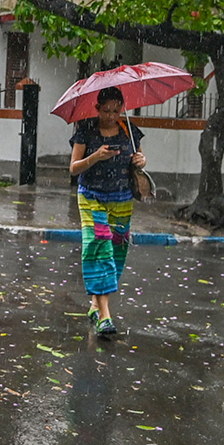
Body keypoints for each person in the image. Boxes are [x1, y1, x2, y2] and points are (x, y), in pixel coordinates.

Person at [68, 86, 146, 337]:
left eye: (116, 110)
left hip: (122, 199)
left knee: (116, 252)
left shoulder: (130, 132)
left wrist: (140, 161)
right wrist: (96, 157)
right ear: (97, 109)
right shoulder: (86, 132)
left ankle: (95, 305)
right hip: (92, 197)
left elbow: (139, 160)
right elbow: (74, 168)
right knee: (98, 247)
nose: (111, 116)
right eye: (106, 111)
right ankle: (105, 316)